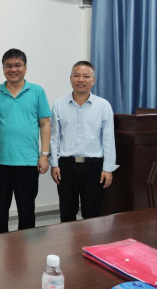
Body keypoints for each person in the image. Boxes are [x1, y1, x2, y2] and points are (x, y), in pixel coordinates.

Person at [0, 48, 51, 234]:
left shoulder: (37, 91)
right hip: (0, 162)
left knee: (26, 211)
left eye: (18, 65)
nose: (13, 69)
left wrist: (44, 155)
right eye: (8, 66)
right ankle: (0, 246)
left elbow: (45, 124)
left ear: (25, 68)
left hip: (28, 161)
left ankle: (25, 249)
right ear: (3, 68)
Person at [50, 61, 118, 222]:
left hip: (94, 167)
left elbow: (108, 139)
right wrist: (54, 164)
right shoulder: (59, 104)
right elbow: (54, 137)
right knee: (67, 213)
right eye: (77, 75)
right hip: (66, 166)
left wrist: (108, 168)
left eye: (86, 76)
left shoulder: (103, 106)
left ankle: (90, 240)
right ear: (70, 78)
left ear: (93, 80)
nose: (81, 79)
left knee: (92, 215)